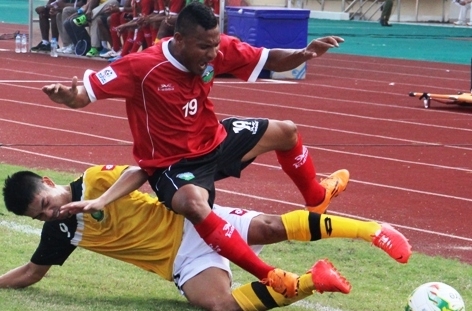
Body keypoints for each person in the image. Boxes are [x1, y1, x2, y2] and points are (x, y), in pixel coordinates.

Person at [42, 1, 351, 297]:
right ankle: (270, 275)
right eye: (204, 47)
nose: (212, 53)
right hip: (172, 164)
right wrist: (68, 97)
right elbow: (84, 94)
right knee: (193, 204)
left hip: (214, 140)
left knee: (286, 131)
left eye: (215, 44)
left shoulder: (216, 49)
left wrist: (305, 53)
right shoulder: (141, 67)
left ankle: (316, 197)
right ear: (179, 39)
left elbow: (270, 58)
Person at [1, 165, 411, 310]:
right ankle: (311, 281)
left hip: (192, 222)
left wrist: (101, 199)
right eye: (42, 215)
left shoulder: (94, 179)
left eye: (48, 201)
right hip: (182, 263)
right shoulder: (61, 231)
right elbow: (33, 272)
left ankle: (374, 230)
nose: (51, 212)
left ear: (50, 182)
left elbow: (142, 170)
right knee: (218, 305)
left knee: (270, 226)